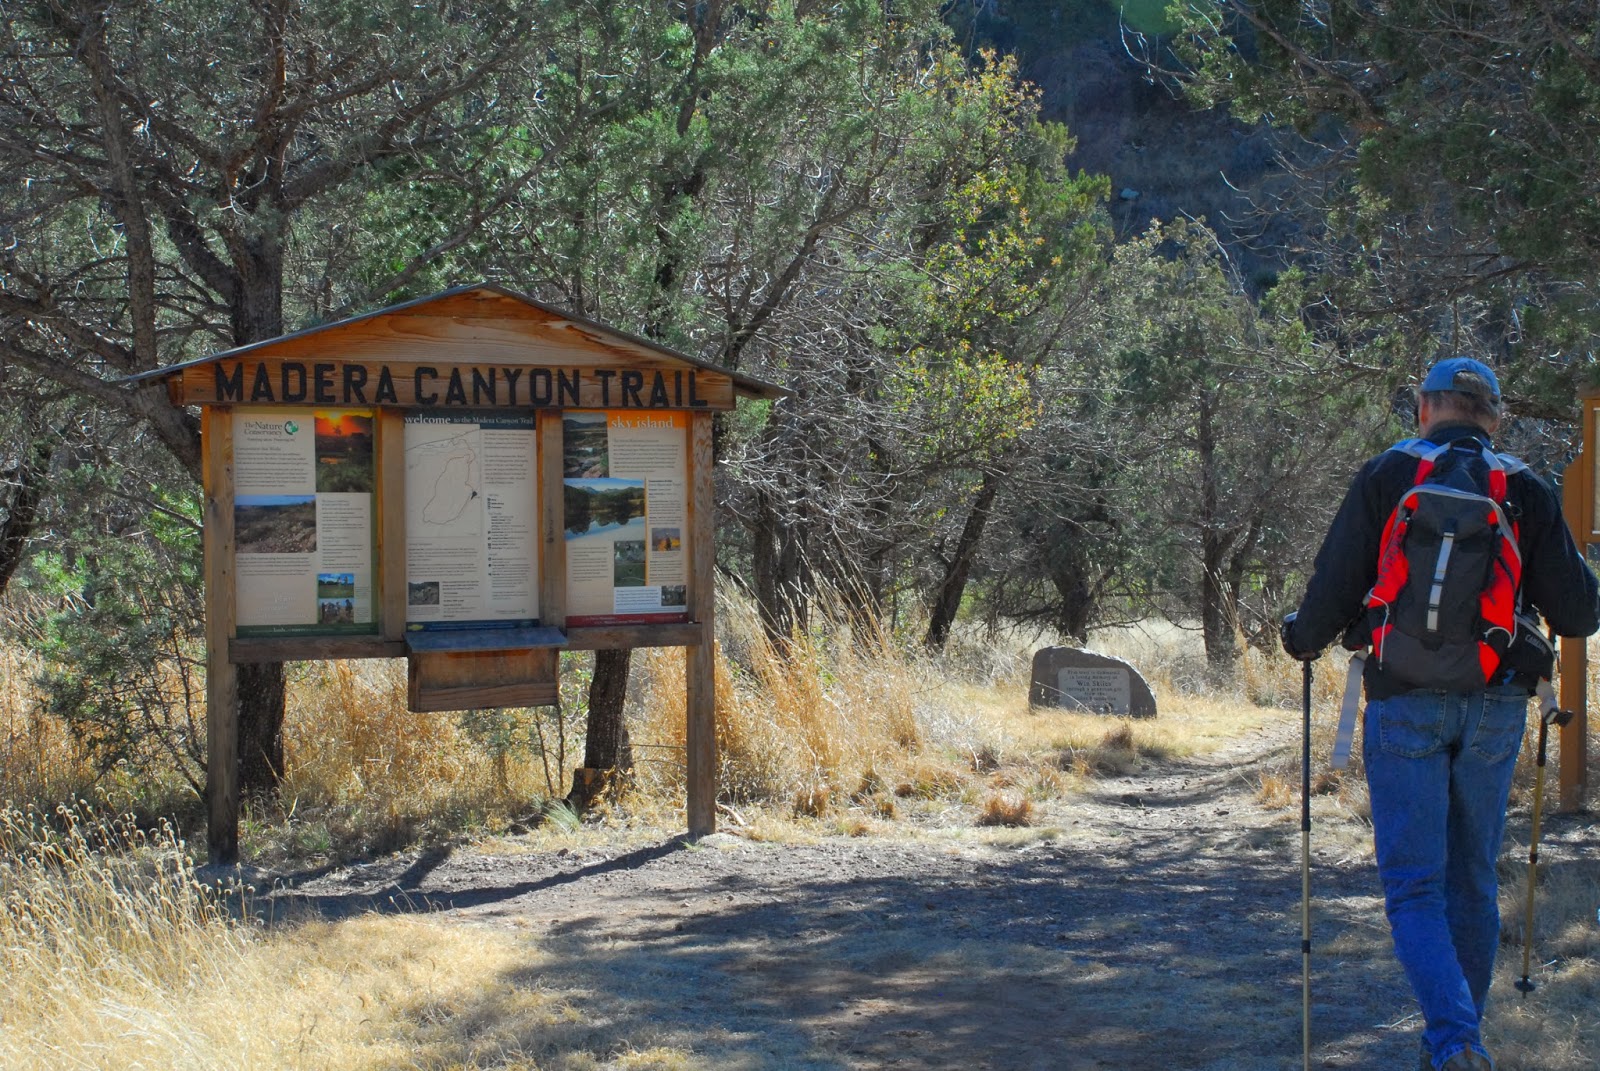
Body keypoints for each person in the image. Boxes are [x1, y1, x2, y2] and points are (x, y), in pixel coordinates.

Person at [1281, 357, 1599, 1071]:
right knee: (1473, 878)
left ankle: (1456, 1042)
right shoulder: (1524, 484)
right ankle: (1456, 1044)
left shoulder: (1389, 473)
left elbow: (1332, 590)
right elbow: (1579, 613)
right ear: (1492, 416)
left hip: (1402, 701)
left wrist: (1298, 635)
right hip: (1496, 704)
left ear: (1425, 408)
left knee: (1416, 885)